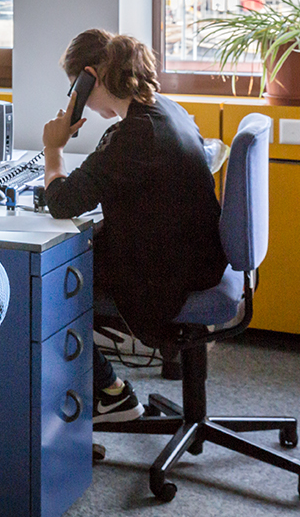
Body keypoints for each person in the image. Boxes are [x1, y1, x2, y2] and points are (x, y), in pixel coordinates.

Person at [40, 29, 228, 424]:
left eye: (76, 88)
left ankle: (110, 395)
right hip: (195, 257)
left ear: (90, 76)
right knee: (66, 261)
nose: (76, 99)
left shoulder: (136, 135)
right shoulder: (164, 111)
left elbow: (62, 202)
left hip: (164, 276)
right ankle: (105, 392)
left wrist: (53, 149)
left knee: (43, 289)